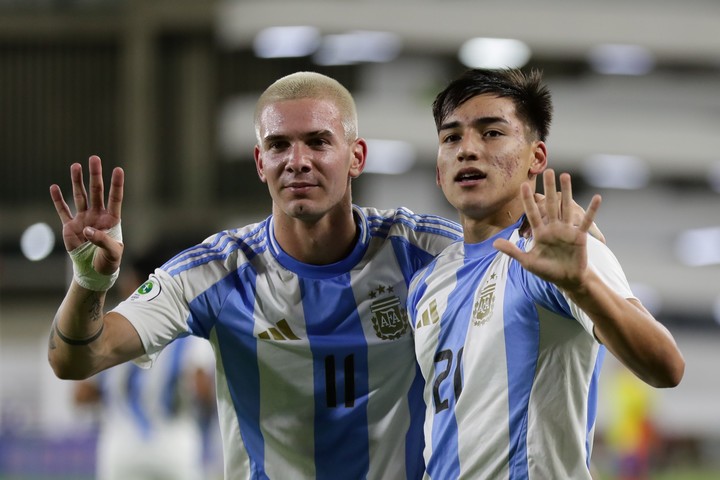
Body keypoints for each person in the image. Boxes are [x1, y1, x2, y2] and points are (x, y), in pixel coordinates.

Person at [47, 71, 599, 479]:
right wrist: (90, 283)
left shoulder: (425, 249)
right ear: (259, 163)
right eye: (278, 146)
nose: (298, 160)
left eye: (318, 142)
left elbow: (518, 243)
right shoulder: (216, 271)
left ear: (356, 156)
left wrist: (573, 226)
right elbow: (75, 357)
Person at [407, 68, 685, 479]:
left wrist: (580, 284)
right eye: (451, 137)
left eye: (491, 133)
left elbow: (666, 366)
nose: (467, 149)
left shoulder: (560, 251)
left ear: (536, 157)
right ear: (438, 169)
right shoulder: (427, 283)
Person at [72, 245, 217, 480]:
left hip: (122, 446)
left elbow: (81, 395)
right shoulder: (189, 332)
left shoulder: (108, 330)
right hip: (174, 445)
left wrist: (119, 392)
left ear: (136, 283)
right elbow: (202, 390)